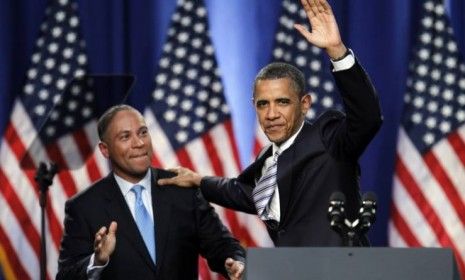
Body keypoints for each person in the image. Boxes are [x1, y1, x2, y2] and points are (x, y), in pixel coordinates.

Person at [158, 0, 382, 247]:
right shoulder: (267, 161)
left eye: (282, 102)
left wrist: (337, 52)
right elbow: (241, 193)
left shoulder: (328, 139)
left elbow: (367, 117)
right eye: (263, 104)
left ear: (305, 104)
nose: (271, 113)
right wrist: (198, 180)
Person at [56, 105, 245, 280]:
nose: (139, 143)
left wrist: (235, 262)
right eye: (125, 137)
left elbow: (222, 245)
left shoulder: (181, 188)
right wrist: (97, 261)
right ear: (105, 150)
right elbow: (66, 275)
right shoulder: (84, 207)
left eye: (143, 132)